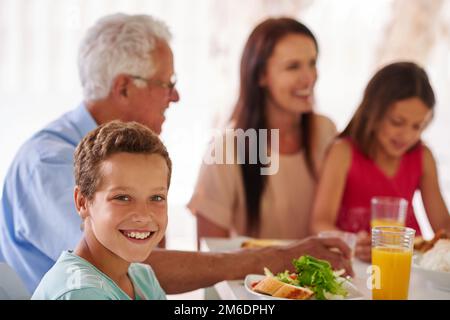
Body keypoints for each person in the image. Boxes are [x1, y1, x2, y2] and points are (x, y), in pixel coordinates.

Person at [0, 13, 352, 294]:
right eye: (166, 84)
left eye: (157, 198)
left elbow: (141, 269)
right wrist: (275, 257)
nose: (176, 96)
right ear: (124, 87)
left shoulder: (137, 163)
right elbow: (142, 261)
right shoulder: (48, 161)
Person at [188, 18, 337, 243]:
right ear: (260, 76)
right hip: (255, 278)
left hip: (322, 276)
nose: (309, 77)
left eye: (312, 62)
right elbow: (209, 252)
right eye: (293, 66)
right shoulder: (227, 148)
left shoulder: (325, 130)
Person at [310, 62, 450, 262]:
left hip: (406, 264)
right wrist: (352, 242)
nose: (407, 135)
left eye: (417, 126)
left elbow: (443, 224)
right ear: (372, 112)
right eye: (397, 122)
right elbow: (319, 223)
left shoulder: (422, 156)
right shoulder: (343, 153)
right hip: (355, 264)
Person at [32, 121, 170, 299]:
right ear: (82, 202)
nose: (143, 216)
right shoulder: (82, 293)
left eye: (156, 198)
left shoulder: (141, 277)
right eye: (122, 198)